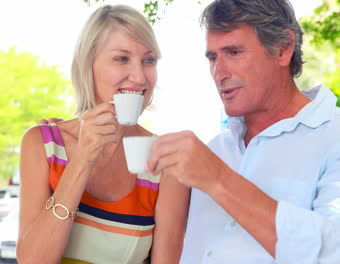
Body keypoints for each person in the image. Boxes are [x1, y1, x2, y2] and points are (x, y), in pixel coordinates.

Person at [144, 0, 340, 263]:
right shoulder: (214, 149)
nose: (218, 73)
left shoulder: (332, 137)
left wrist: (219, 180)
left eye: (234, 52)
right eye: (212, 57)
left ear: (283, 49)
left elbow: (333, 250)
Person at [16, 4, 189, 264]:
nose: (140, 77)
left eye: (148, 60)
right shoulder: (43, 144)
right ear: (88, 65)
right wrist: (83, 158)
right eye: (122, 58)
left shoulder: (166, 161)